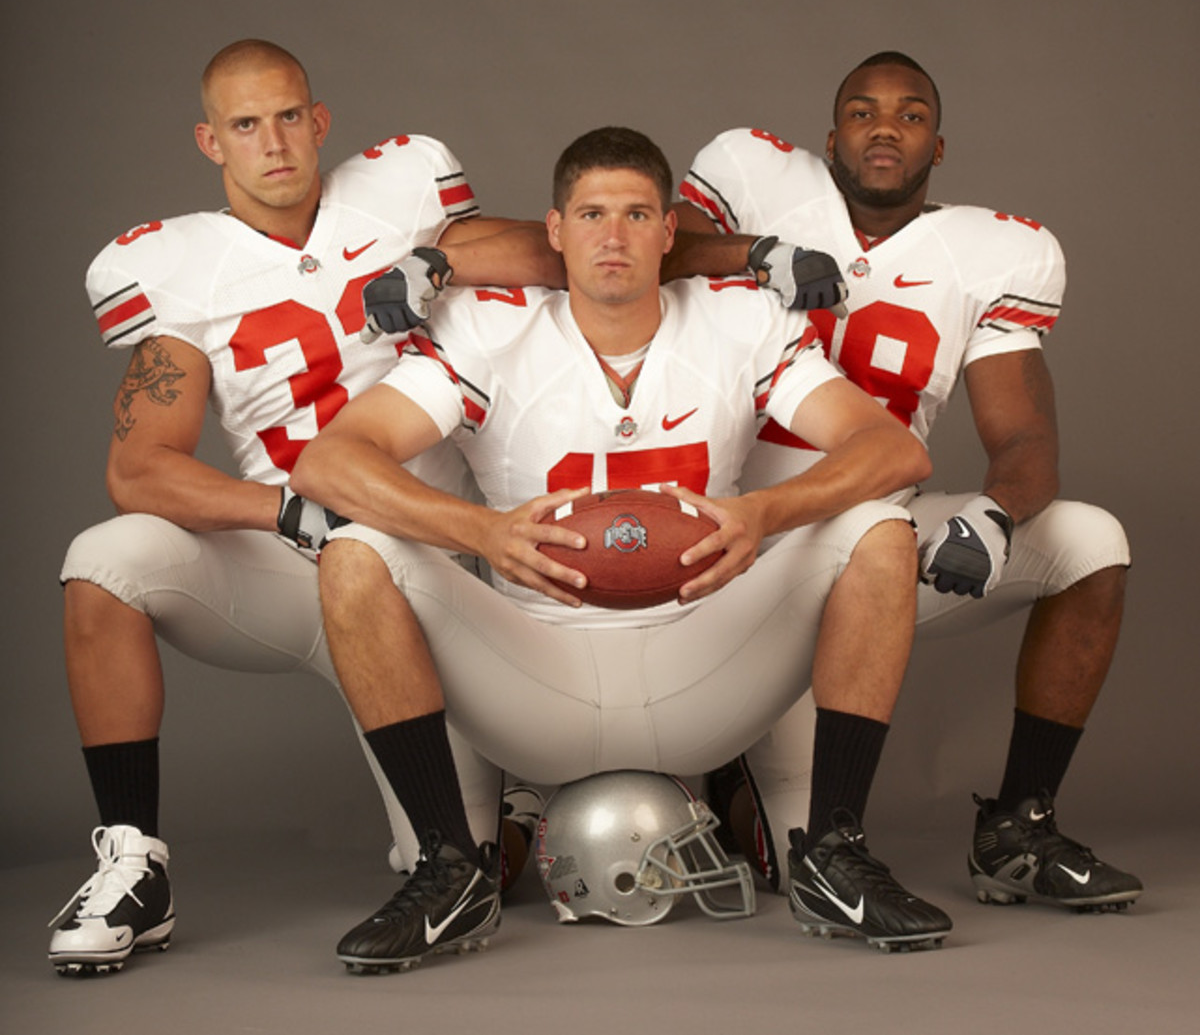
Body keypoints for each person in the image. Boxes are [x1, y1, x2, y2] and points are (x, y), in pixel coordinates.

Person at [291, 125, 950, 971]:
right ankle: (448, 866)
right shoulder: (491, 331)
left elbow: (895, 451)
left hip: (707, 668)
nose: (614, 236)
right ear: (554, 231)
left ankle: (834, 852)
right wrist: (483, 531)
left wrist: (764, 513)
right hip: (537, 678)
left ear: (671, 231)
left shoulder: (736, 318)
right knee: (354, 553)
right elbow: (330, 460)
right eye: (592, 214)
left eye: (637, 214)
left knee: (881, 527)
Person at [48, 38, 564, 977]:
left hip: (435, 560)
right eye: (246, 125)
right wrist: (283, 507)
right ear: (211, 142)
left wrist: (436, 260)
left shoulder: (403, 186)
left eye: (290, 116)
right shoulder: (181, 267)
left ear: (320, 120)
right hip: (303, 555)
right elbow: (142, 468)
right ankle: (133, 863)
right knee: (103, 559)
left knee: (464, 865)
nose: (274, 142)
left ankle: (510, 805)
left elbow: (557, 250)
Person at [671, 51, 1141, 912]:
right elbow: (633, 252)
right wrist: (754, 252)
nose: (885, 126)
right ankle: (729, 760)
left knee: (1092, 540)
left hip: (876, 540)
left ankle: (1017, 826)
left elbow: (1024, 431)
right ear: (831, 135)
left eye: (910, 114)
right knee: (782, 858)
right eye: (862, 110)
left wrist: (998, 515)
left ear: (939, 145)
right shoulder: (760, 182)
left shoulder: (992, 255)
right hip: (735, 541)